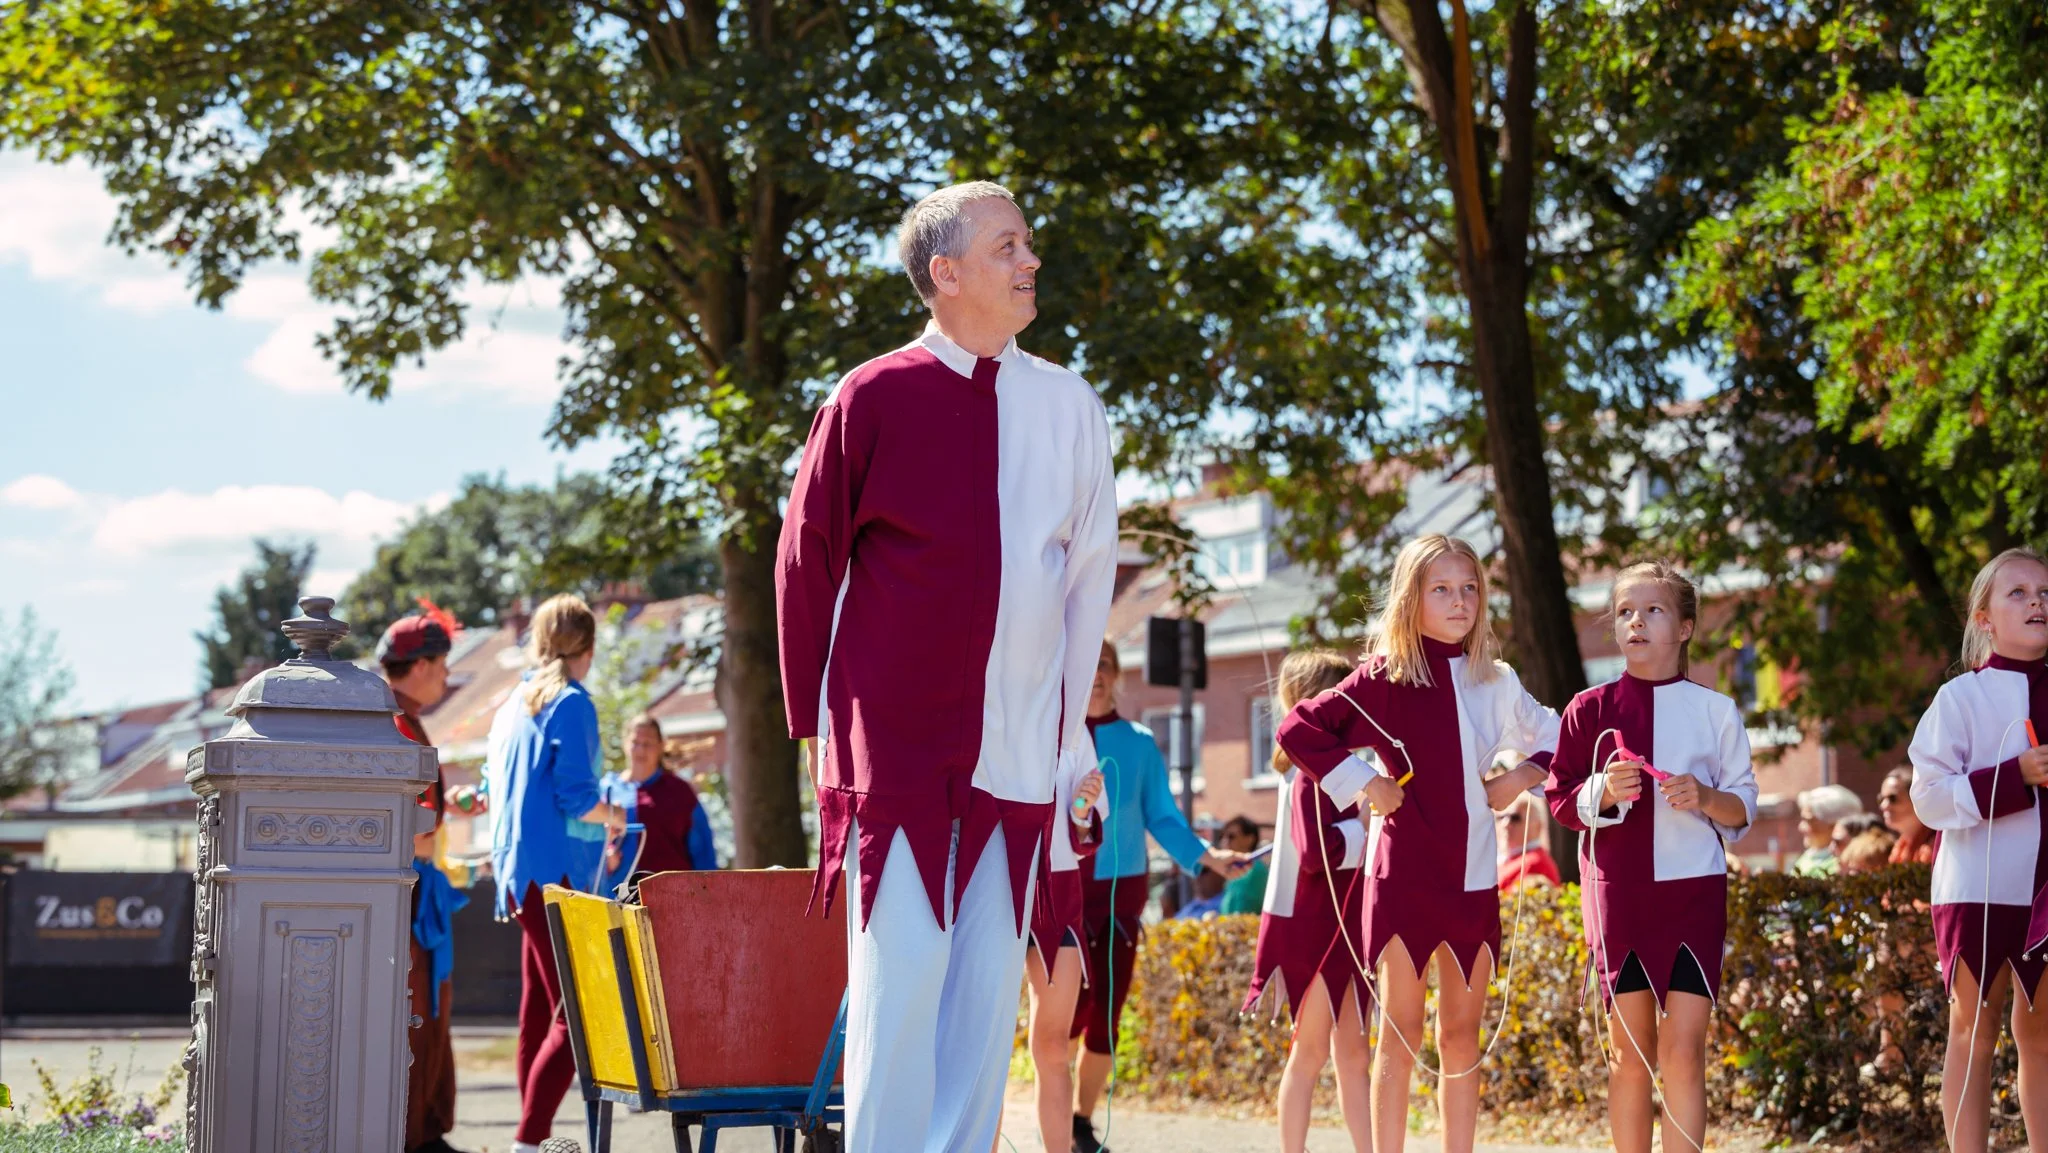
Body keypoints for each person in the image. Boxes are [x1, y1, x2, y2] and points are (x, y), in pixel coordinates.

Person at [773, 181, 1120, 1153]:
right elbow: (804, 566)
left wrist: (1067, 741)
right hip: (892, 763)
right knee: (899, 992)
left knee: (980, 1019)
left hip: (1016, 756)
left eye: (1028, 243)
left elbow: (1086, 580)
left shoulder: (1067, 404)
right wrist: (816, 737)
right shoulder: (868, 396)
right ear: (946, 273)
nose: (1029, 261)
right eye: (1007, 245)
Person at [1275, 534, 1559, 1153]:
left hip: (1475, 877)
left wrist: (1519, 776)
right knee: (1399, 1036)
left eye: (1469, 588)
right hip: (1401, 877)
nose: (1459, 601)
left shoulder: (1498, 680)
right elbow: (1299, 728)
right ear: (1412, 598)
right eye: (1441, 589)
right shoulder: (1382, 678)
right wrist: (1366, 782)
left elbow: (1561, 734)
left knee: (1461, 1037)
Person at [1544, 561, 1758, 1153]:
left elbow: (1742, 806)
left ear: (1686, 627)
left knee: (1684, 1052)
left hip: (1693, 895)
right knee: (1629, 1056)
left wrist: (1707, 796)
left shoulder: (1717, 711)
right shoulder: (1587, 709)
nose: (1636, 621)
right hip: (1621, 898)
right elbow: (1560, 799)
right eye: (1624, 612)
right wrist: (1602, 792)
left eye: (1654, 610)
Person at [1071, 639, 1250, 1152]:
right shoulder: (1055, 736)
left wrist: (1208, 858)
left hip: (1121, 894)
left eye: (1105, 665)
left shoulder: (1139, 741)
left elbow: (1163, 816)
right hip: (1064, 888)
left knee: (1105, 1014)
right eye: (1089, 665)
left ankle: (1080, 1123)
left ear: (1118, 675)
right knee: (1065, 1009)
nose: (1097, 675)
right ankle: (1053, 1109)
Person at [1911, 547, 2048, 1153]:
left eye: (2044, 592)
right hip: (1979, 886)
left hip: (2047, 884)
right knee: (1974, 1028)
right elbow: (1929, 799)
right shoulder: (1959, 699)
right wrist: (2013, 775)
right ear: (1984, 617)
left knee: (2041, 1033)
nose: (2037, 602)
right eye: (2018, 593)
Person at [483, 594, 626, 1153]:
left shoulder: (510, 706)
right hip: (559, 878)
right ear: (586, 649)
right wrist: (617, 815)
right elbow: (576, 798)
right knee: (578, 1014)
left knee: (538, 1011)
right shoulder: (571, 703)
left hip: (518, 877)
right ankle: (528, 1142)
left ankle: (529, 1135)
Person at [1244, 648, 1372, 1153]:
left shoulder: (1343, 770)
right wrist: (1364, 828)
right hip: (1314, 929)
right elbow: (1317, 853)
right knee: (1312, 1048)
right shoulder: (1305, 776)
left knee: (1355, 1054)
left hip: (1348, 927)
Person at [378, 614, 469, 1153]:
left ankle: (427, 1135)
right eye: (441, 664)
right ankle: (417, 1139)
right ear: (420, 665)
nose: (447, 676)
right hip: (408, 896)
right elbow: (397, 828)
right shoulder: (395, 723)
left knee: (429, 1012)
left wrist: (447, 807)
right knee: (417, 1017)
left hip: (416, 893)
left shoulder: (400, 719)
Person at [1013, 742, 1106, 1153]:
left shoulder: (1075, 725)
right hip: (990, 880)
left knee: (1052, 1045)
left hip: (1057, 891)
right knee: (986, 1048)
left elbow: (1082, 836)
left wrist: (1082, 808)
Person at [599, 712, 718, 894]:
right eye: (635, 743)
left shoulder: (680, 792)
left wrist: (710, 894)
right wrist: (607, 855)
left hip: (674, 898)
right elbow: (590, 845)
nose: (640, 750)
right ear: (624, 744)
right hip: (619, 900)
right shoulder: (607, 789)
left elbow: (703, 851)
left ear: (661, 746)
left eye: (647, 744)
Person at [1791, 784, 1863, 876]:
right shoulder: (1807, 857)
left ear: (1835, 824)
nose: (1801, 827)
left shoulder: (1847, 866)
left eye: (1809, 821)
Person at [1495, 792, 1560, 891]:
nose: (1505, 824)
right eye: (1501, 817)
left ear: (1537, 826)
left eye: (1515, 818)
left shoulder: (1535, 863)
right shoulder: (1508, 859)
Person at [1878, 765, 1936, 865]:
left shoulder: (1936, 844)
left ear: (1916, 799)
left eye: (1892, 798)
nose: (1883, 806)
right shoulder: (1900, 847)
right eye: (1881, 799)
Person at [1217, 816, 1269, 916]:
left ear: (1250, 839)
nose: (1224, 841)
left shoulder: (1255, 870)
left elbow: (1243, 915)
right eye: (1222, 836)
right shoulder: (1237, 868)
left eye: (1231, 836)